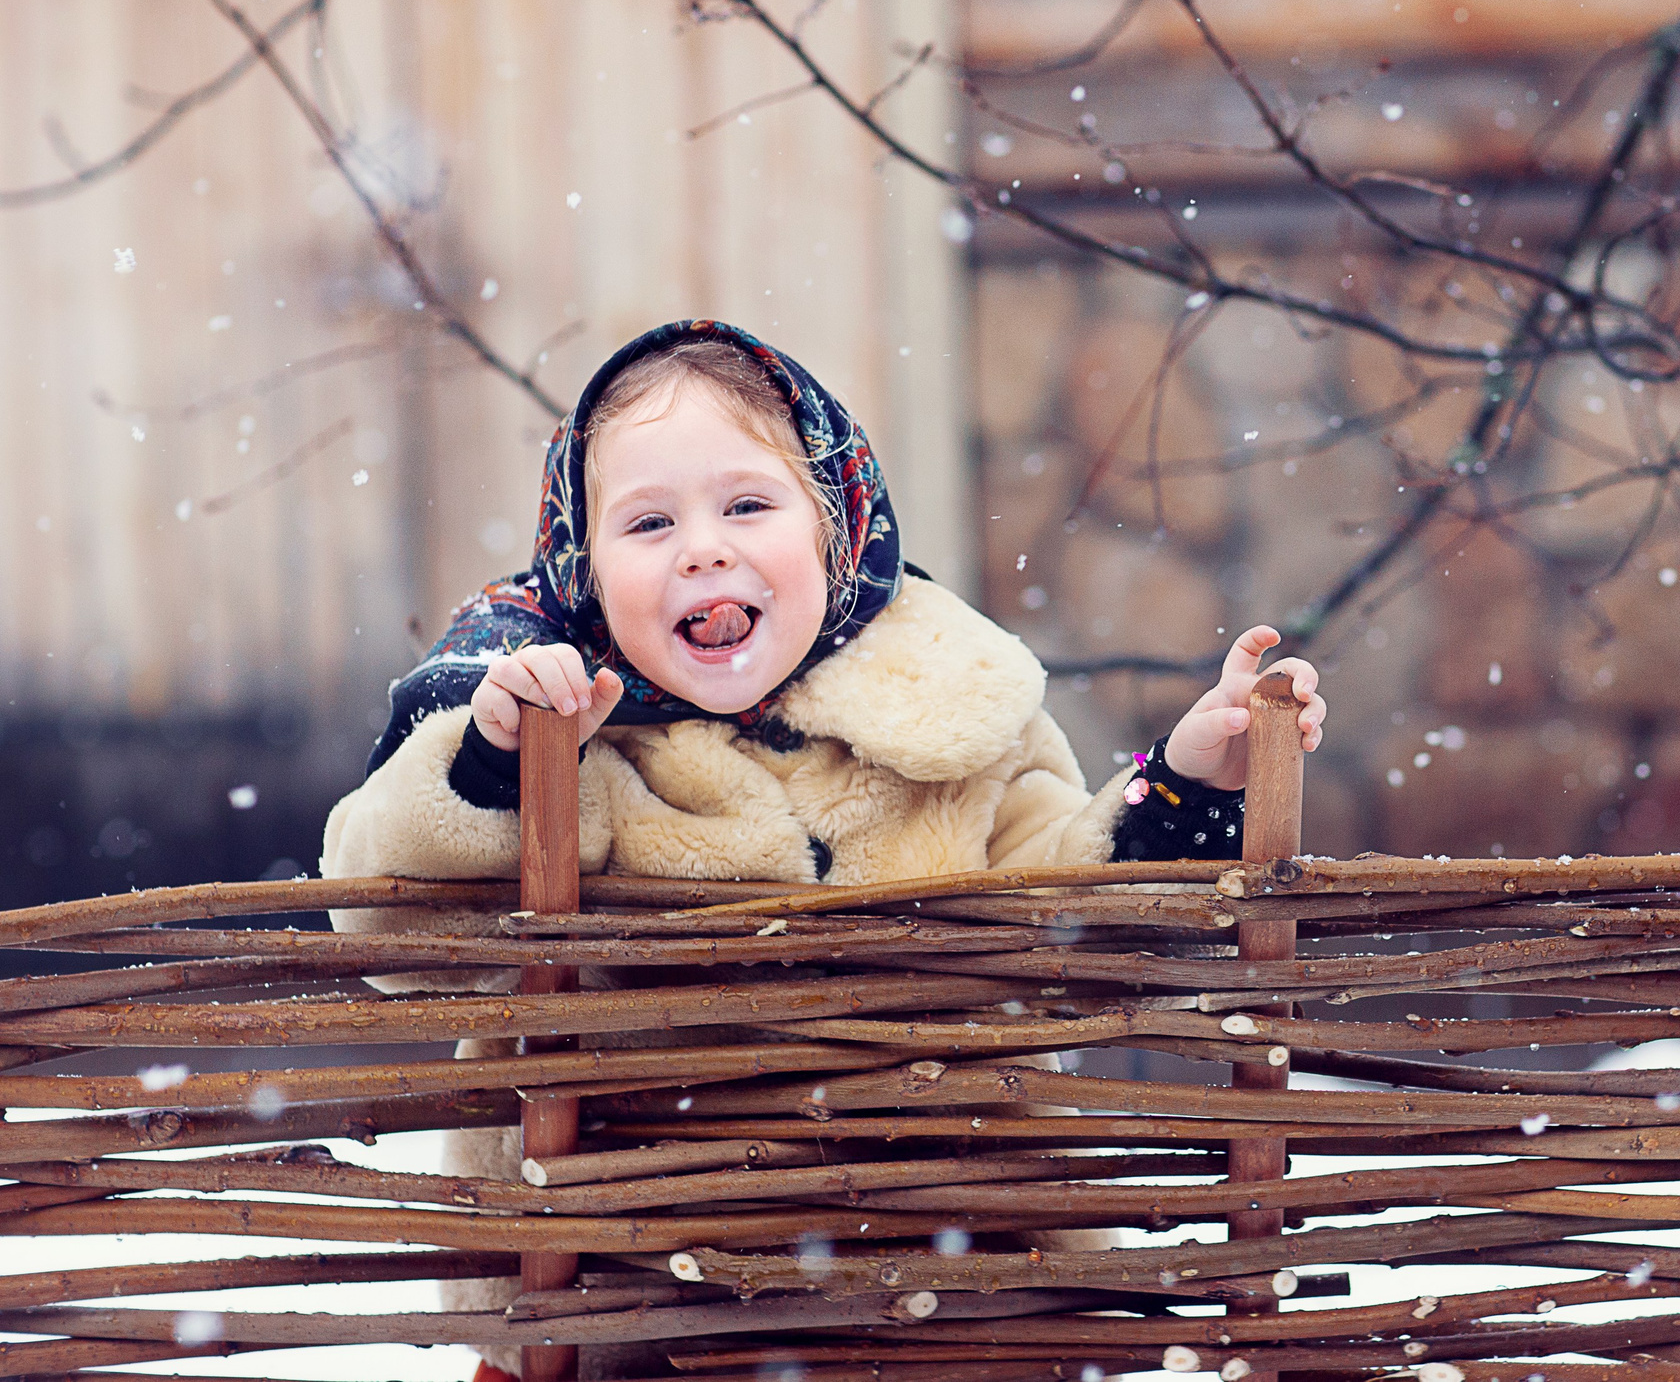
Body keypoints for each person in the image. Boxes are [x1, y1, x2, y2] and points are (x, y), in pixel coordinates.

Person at [319, 318, 1324, 1382]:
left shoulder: (951, 702)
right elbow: (395, 935)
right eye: (648, 522)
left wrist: (1185, 771)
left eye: (748, 505)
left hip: (956, 1279)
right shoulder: (550, 723)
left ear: (834, 531)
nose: (704, 546)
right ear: (585, 568)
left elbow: (1079, 913)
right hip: (640, 1294)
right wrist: (492, 764)